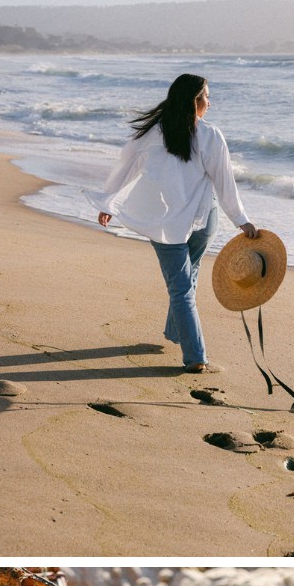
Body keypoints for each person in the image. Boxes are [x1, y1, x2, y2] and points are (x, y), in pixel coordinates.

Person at [88, 73, 259, 373]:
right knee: (184, 285)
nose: (210, 101)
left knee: (182, 286)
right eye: (206, 95)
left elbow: (126, 166)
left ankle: (185, 344)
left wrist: (109, 201)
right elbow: (225, 183)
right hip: (201, 219)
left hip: (169, 221)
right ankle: (193, 353)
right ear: (194, 101)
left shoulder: (153, 133)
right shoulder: (209, 136)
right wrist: (241, 220)